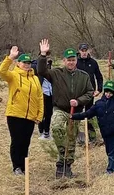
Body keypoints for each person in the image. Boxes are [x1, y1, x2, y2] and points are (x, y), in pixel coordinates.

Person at [38, 39, 94, 179]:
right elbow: (42, 71)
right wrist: (43, 55)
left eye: (73, 60)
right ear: (64, 61)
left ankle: (67, 165)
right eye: (68, 60)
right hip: (60, 109)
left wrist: (79, 101)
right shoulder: (56, 73)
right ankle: (62, 157)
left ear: (76, 60)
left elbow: (89, 92)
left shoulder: (84, 76)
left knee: (71, 138)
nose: (71, 62)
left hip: (76, 112)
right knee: (56, 127)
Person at [71, 65, 114, 174]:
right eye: (107, 92)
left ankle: (111, 169)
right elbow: (87, 114)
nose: (108, 94)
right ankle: (112, 165)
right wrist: (73, 116)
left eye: (111, 92)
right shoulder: (98, 104)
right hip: (104, 130)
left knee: (112, 149)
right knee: (108, 149)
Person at [0, 47, 43, 175]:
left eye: (28, 63)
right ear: (18, 63)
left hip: (30, 116)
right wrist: (10, 58)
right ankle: (16, 166)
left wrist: (39, 115)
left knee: (26, 142)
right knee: (17, 141)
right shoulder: (13, 75)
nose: (27, 65)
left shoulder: (35, 79)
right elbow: (1, 71)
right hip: (15, 114)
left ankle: (24, 166)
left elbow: (40, 97)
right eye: (24, 63)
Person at [76, 43, 103, 145]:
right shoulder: (75, 62)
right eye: (82, 50)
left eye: (85, 50)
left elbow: (99, 77)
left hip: (90, 93)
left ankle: (92, 136)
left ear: (88, 51)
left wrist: (99, 89)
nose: (84, 52)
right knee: (77, 114)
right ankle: (76, 136)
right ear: (79, 51)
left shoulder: (93, 62)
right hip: (78, 93)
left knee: (90, 114)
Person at [31, 51, 53, 140]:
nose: (48, 57)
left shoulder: (50, 65)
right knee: (41, 113)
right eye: (46, 55)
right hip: (40, 92)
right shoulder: (35, 66)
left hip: (50, 93)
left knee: (49, 113)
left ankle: (47, 132)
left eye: (49, 55)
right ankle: (41, 131)